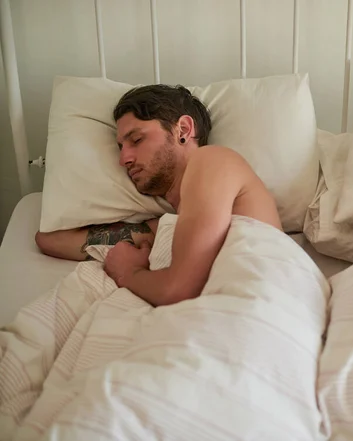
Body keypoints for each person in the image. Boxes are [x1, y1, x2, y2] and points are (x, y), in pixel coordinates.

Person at [35, 84, 282, 306]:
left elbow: (178, 290)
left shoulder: (213, 160)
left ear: (183, 130)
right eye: (121, 147)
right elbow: (49, 239)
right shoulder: (168, 226)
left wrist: (129, 273)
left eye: (137, 139)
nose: (123, 159)